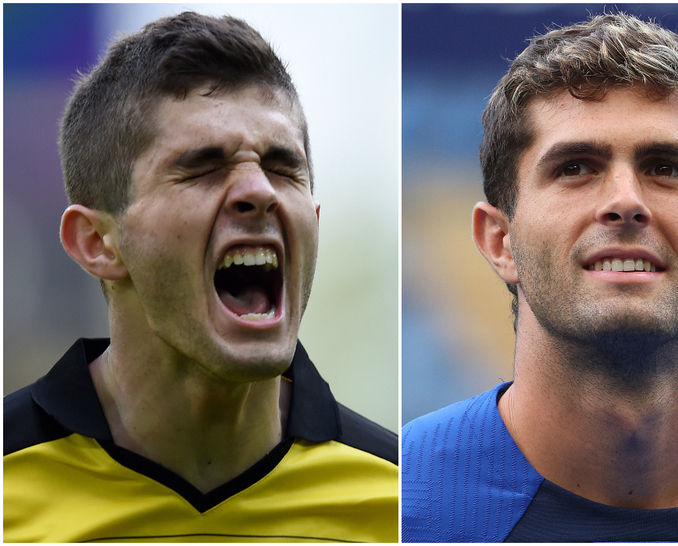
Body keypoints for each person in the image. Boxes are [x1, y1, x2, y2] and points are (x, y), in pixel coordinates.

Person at [402, 12, 678, 543]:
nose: (625, 202)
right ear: (500, 241)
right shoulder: (398, 504)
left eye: (665, 167)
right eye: (575, 167)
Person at [4, 12, 397, 542]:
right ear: (97, 243)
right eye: (203, 167)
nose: (260, 191)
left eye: (283, 167)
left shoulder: (401, 501)